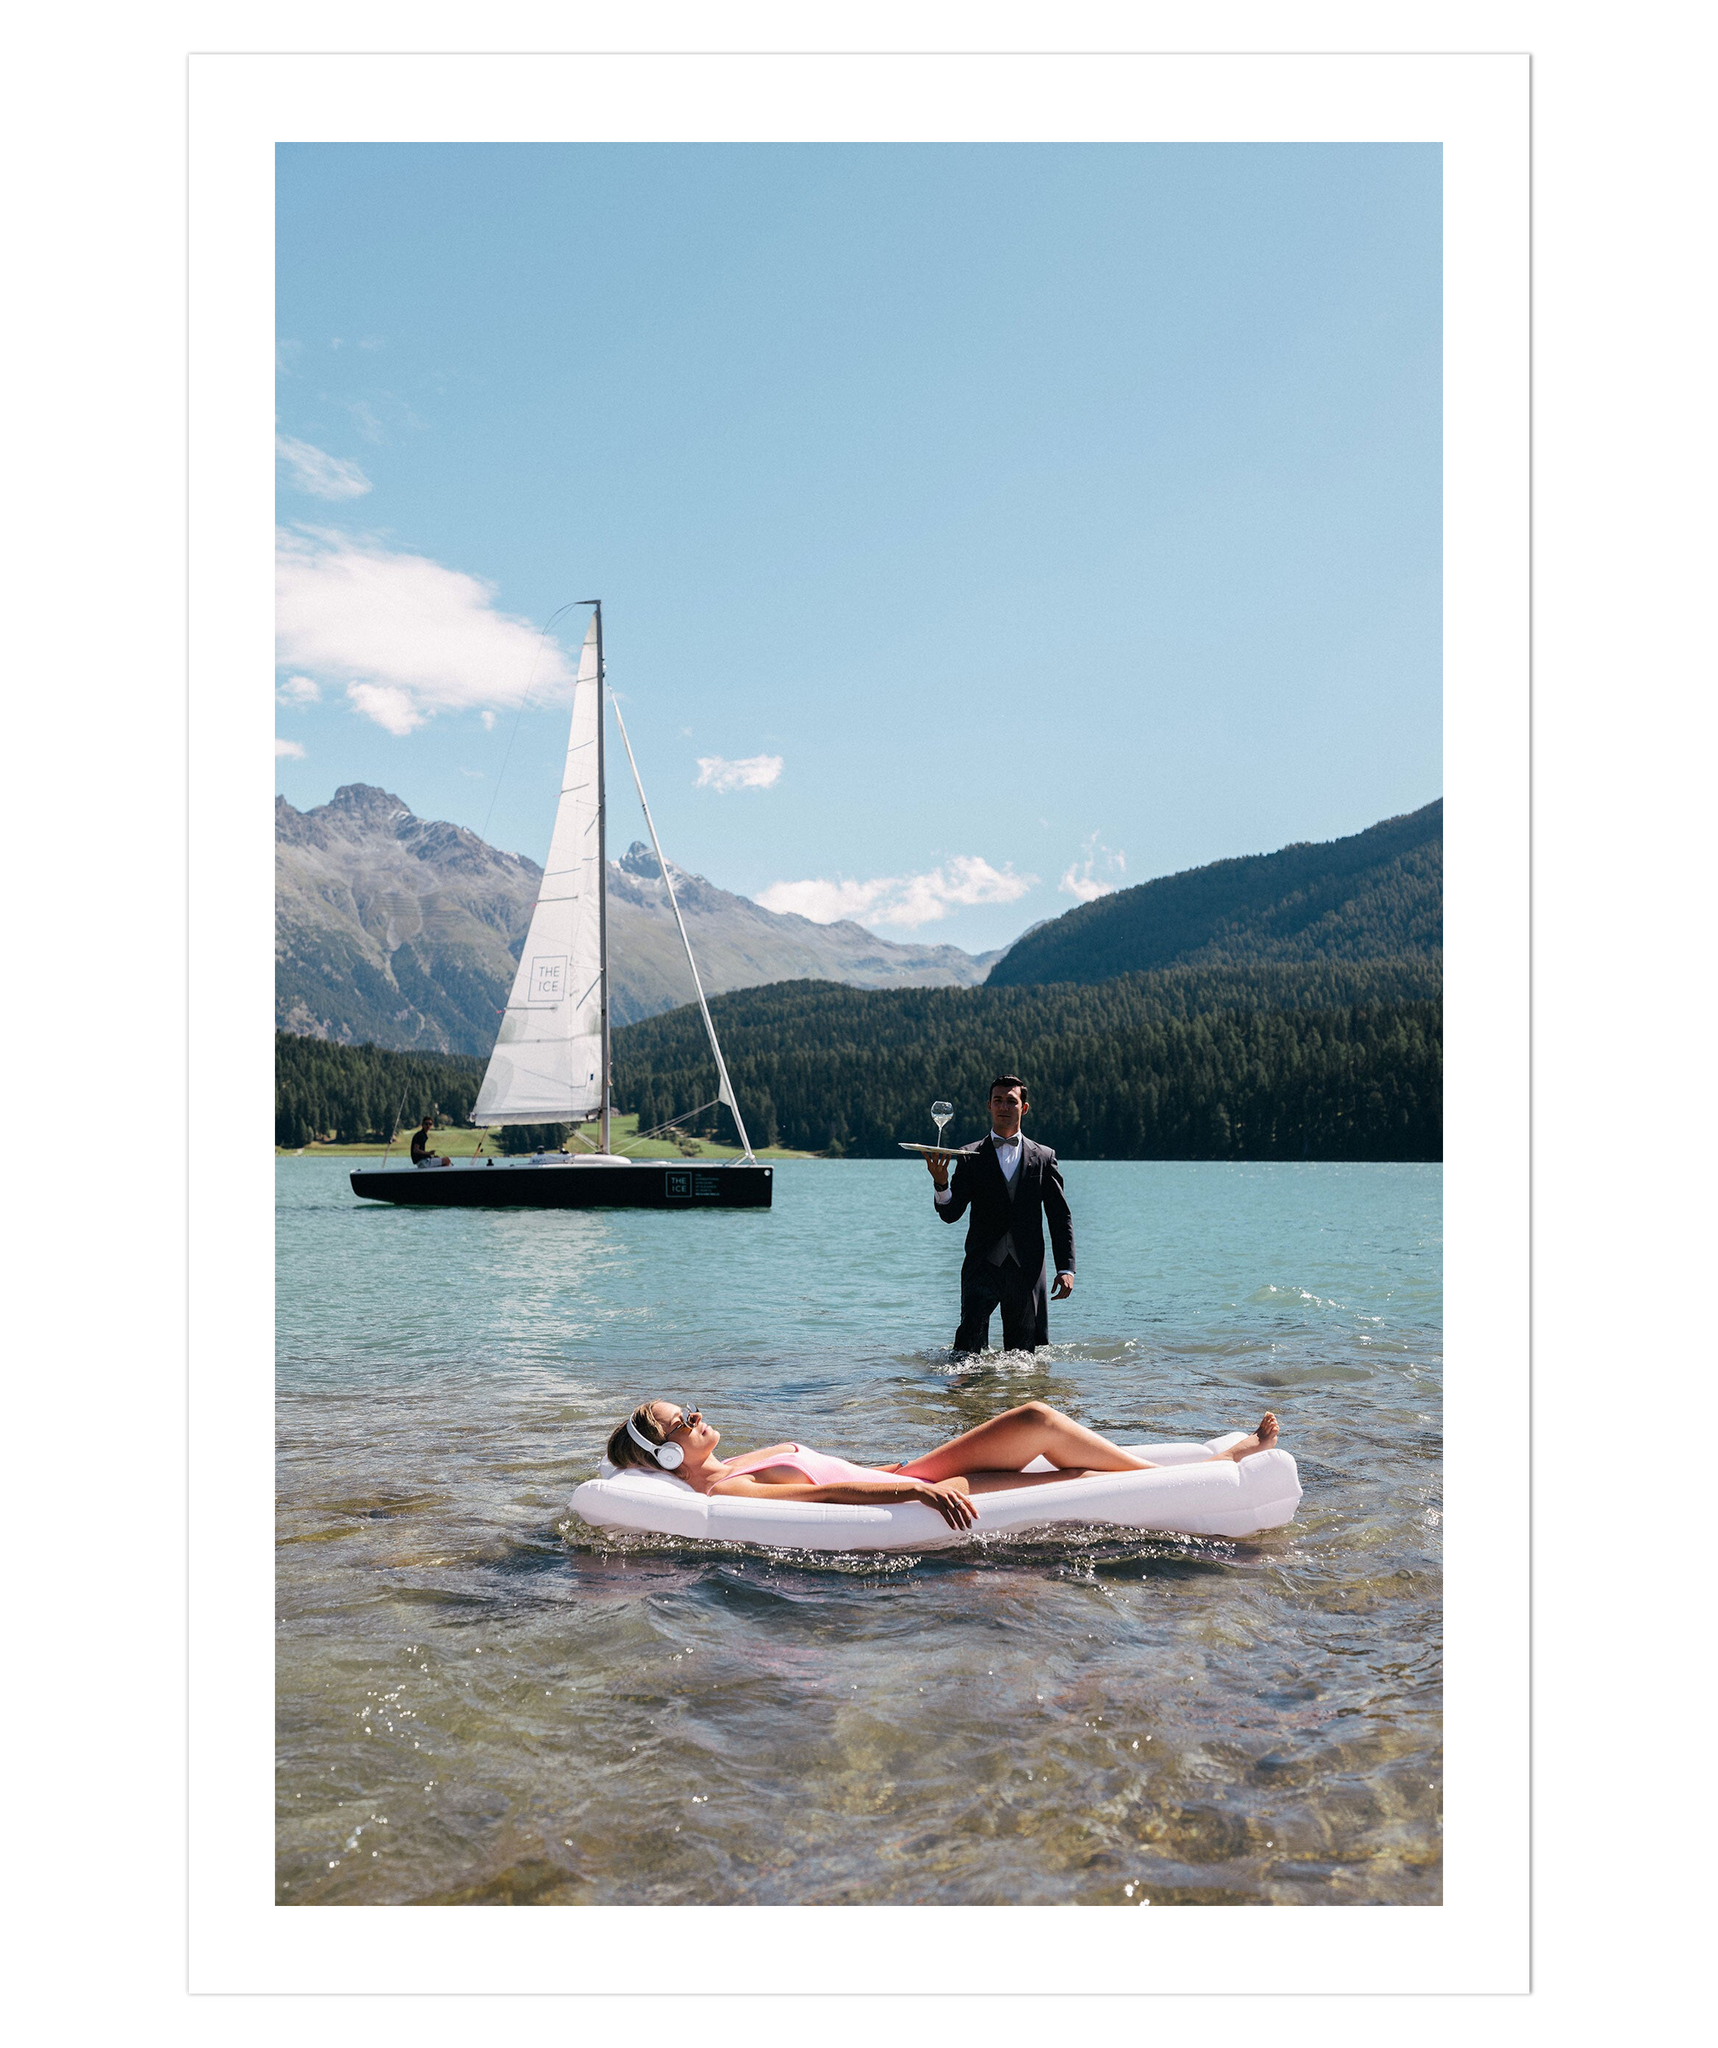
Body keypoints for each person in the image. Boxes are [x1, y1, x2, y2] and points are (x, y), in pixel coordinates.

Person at [605, 1399, 1281, 1532]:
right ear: (667, 1453)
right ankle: (1218, 1463)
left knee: (1040, 1428)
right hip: (915, 1490)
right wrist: (918, 1497)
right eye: (681, 1422)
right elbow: (825, 1498)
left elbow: (827, 1467)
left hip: (910, 1470)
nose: (697, 1416)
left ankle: (1212, 1458)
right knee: (1043, 1434)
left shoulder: (731, 1461)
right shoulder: (731, 1488)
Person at [925, 1075, 1074, 1356]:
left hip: (1026, 1269)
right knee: (966, 1355)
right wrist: (941, 1183)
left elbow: (1059, 1216)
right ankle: (967, 1400)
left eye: (1011, 1101)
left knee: (1024, 1358)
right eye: (998, 1101)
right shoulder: (969, 1155)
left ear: (1024, 1108)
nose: (1004, 1106)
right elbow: (950, 1214)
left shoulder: (1043, 1156)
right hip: (981, 1267)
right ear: (989, 1106)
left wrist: (1066, 1268)